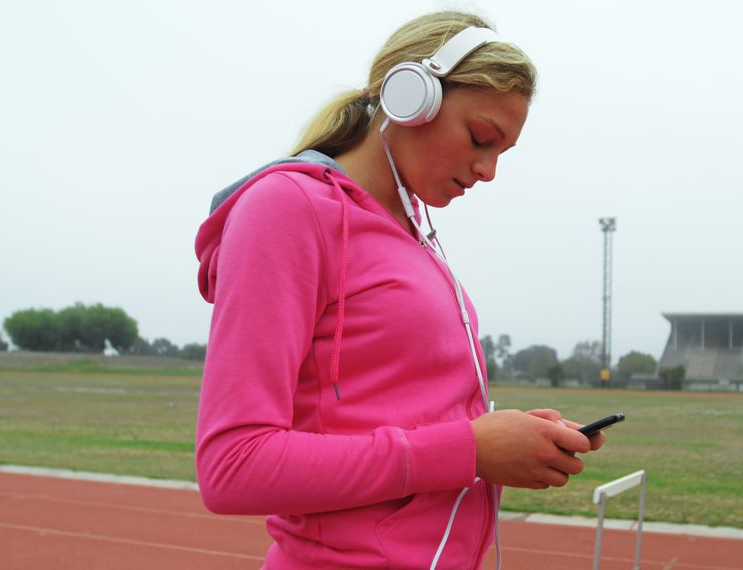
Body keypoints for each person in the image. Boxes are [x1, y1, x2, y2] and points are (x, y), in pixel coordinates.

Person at [193, 11, 604, 569]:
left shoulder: (412, 236)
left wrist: (509, 440)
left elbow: (399, 418)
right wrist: (471, 449)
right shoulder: (288, 210)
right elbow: (233, 466)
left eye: (501, 154)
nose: (488, 171)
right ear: (411, 96)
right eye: (481, 138)